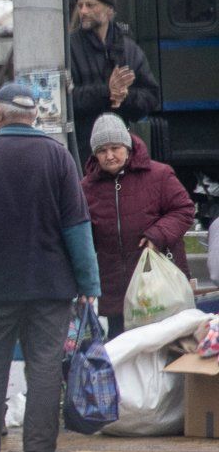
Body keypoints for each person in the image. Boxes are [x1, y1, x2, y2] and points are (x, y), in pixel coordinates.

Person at [0, 83, 101, 452]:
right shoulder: (58, 156)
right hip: (51, 285)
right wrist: (89, 283)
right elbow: (77, 227)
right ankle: (40, 447)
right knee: (46, 365)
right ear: (35, 116)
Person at [81, 112, 194, 337]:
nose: (110, 156)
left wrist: (158, 235)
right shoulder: (86, 188)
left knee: (167, 350)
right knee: (123, 354)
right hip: (116, 291)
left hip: (161, 288)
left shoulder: (159, 174)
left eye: (115, 148)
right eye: (102, 151)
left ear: (128, 146)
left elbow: (184, 209)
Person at [68, 0, 160, 157]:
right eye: (80, 6)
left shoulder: (130, 49)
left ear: (109, 10)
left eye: (90, 5)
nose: (83, 11)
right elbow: (67, 100)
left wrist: (125, 96)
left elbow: (151, 97)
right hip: (84, 151)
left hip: (123, 149)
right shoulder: (69, 48)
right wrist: (107, 91)